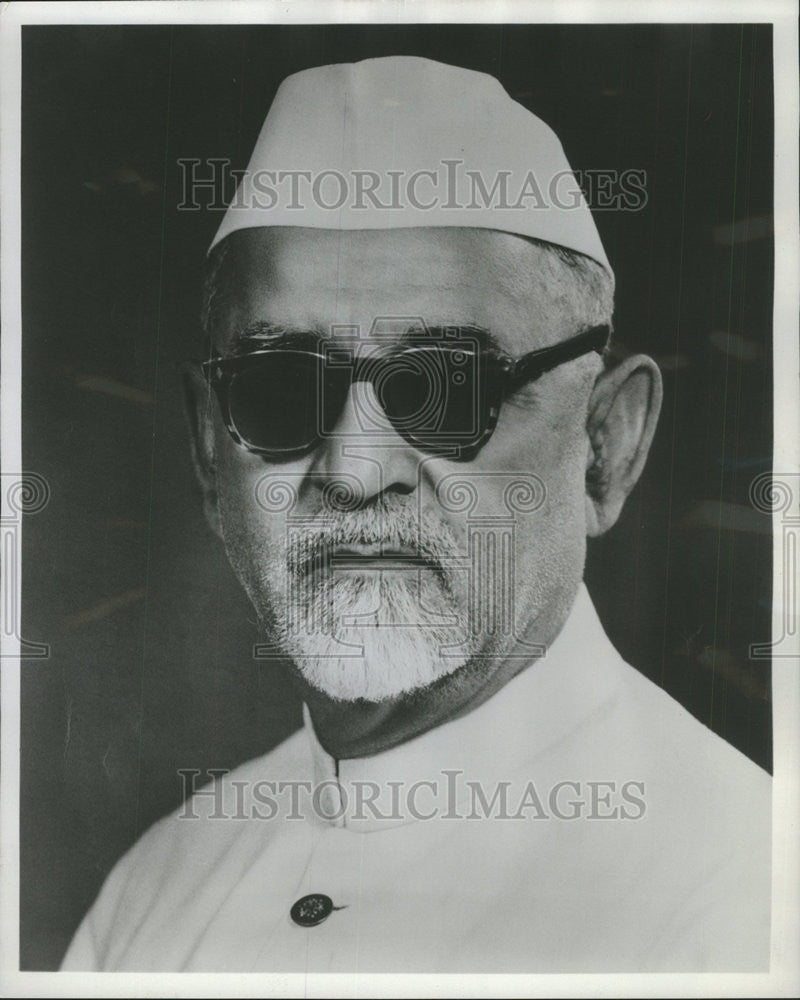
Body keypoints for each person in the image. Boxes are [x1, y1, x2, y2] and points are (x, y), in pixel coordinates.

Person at [61, 55, 770, 974]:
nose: (356, 473)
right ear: (209, 446)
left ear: (605, 445)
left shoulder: (740, 894)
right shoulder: (155, 894)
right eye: (281, 391)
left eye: (446, 390)